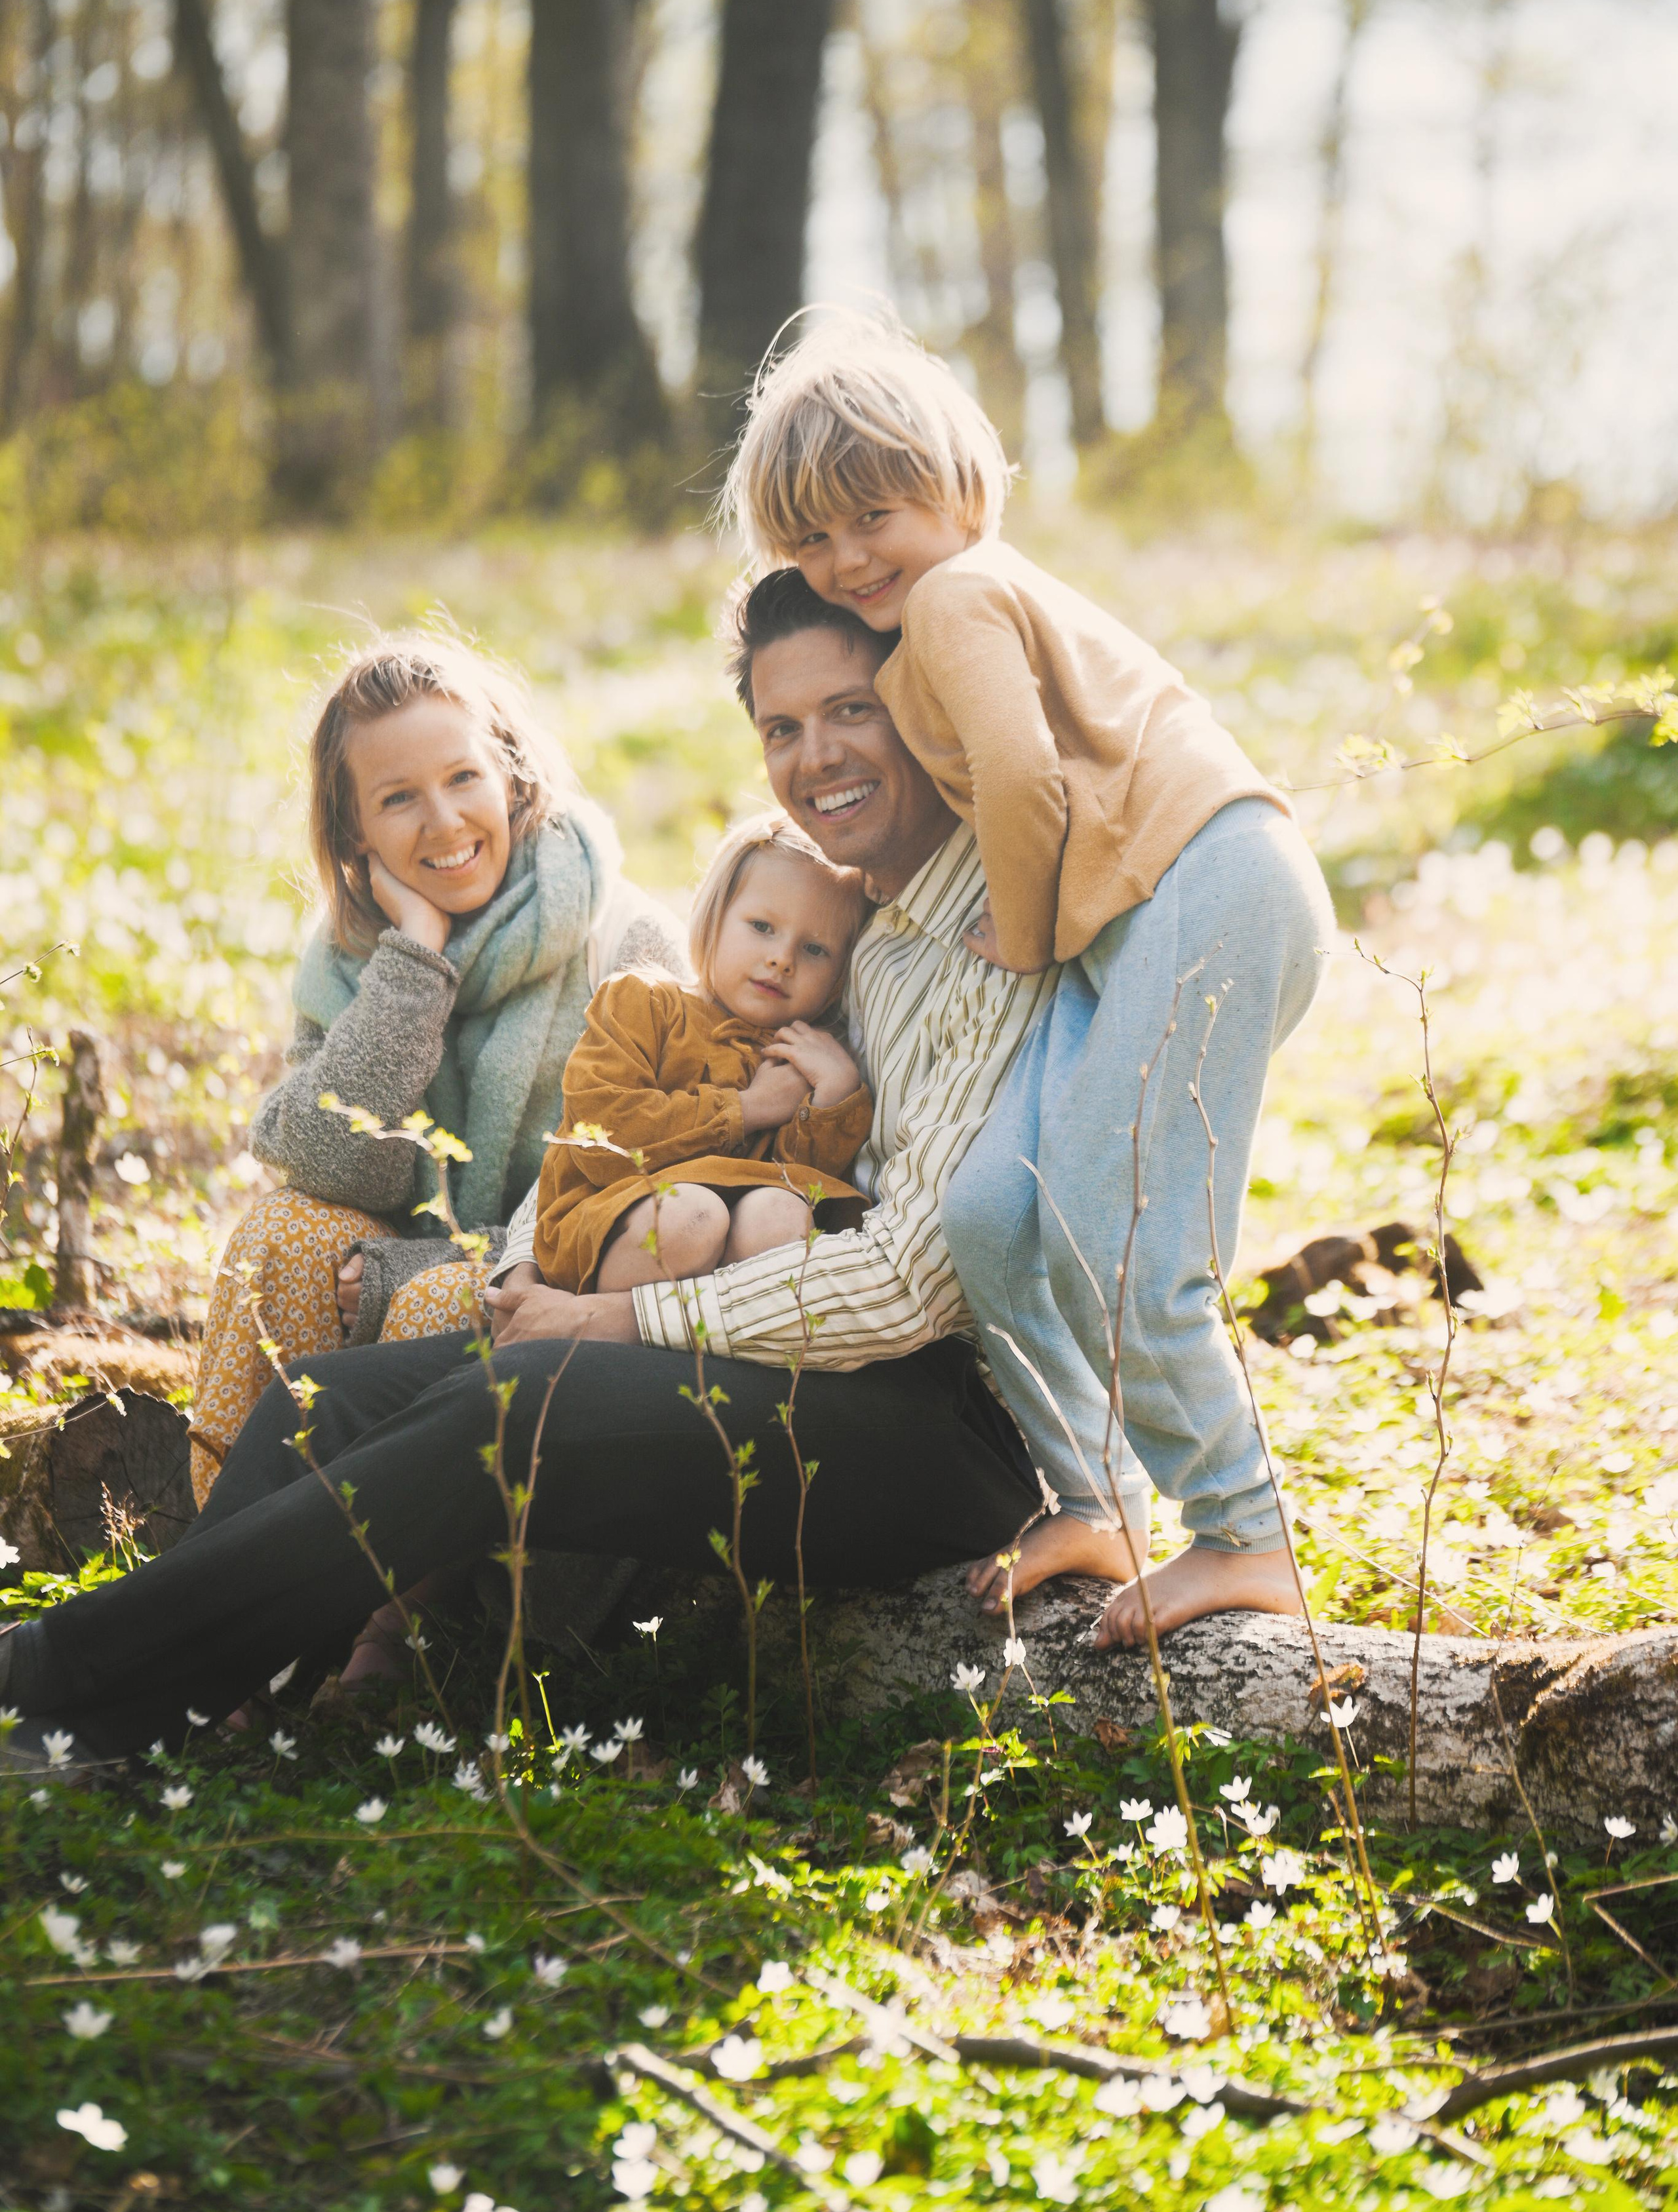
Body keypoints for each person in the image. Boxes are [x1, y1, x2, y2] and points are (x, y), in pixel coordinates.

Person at [0, 573, 1143, 1777]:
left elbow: (910, 1290)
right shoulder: (844, 912)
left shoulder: (995, 915)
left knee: (512, 1409)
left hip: (942, 1433)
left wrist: (614, 1317)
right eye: (781, 728)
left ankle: (63, 1689)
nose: (816, 757)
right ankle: (219, 1695)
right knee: (325, 1398)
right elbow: (652, 1116)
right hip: (782, 1358)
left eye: (851, 711)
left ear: (919, 701)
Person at [721, 308, 1335, 1646]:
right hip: (1133, 921)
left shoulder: (954, 598)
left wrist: (1013, 924)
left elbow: (1018, 775)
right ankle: (1094, 1493)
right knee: (996, 1210)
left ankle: (1243, 1534)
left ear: (958, 485)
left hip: (1209, 883)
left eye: (872, 513)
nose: (845, 559)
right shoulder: (936, 607)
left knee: (1126, 1233)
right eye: (811, 539)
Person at [190, 631, 682, 1507]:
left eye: (463, 779)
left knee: (438, 1304)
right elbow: (338, 1166)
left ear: (512, 775)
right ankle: (236, 1574)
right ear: (355, 833)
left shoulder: (623, 941)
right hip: (406, 1259)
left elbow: (637, 1206)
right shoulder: (354, 961)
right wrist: (416, 963)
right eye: (399, 798)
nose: (446, 822)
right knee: (284, 1235)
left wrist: (413, 1271)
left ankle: (410, 1612)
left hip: (565, 1291)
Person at [534, 812, 872, 1298]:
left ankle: (709, 1356)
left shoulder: (801, 1055)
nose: (783, 959)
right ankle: (600, 1335)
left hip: (737, 1227)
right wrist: (749, 1108)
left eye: (815, 950)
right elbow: (603, 1136)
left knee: (783, 1215)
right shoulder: (642, 1001)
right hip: (614, 1213)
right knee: (692, 1216)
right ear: (714, 916)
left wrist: (834, 1096)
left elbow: (800, 1180)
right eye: (762, 926)